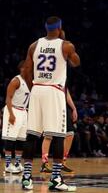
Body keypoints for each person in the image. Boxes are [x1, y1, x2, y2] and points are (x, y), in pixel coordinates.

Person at [21, 16, 80, 191]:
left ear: (46, 28)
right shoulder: (66, 45)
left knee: (32, 135)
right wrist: (67, 45)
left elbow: (26, 69)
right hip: (54, 91)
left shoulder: (34, 45)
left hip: (37, 89)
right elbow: (76, 63)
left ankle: (26, 178)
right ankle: (55, 179)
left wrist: (33, 87)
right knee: (59, 136)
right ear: (60, 27)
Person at [40, 89, 78, 173]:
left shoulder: (63, 78)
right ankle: (44, 163)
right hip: (50, 104)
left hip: (62, 106)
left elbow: (66, 92)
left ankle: (62, 162)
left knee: (70, 133)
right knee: (48, 135)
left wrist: (73, 108)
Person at [2, 61, 30, 174]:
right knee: (10, 139)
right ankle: (8, 165)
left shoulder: (30, 82)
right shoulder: (16, 81)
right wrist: (11, 114)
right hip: (13, 109)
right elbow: (8, 98)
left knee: (21, 140)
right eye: (24, 68)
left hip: (23, 111)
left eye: (28, 68)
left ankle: (18, 164)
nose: (26, 70)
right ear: (20, 69)